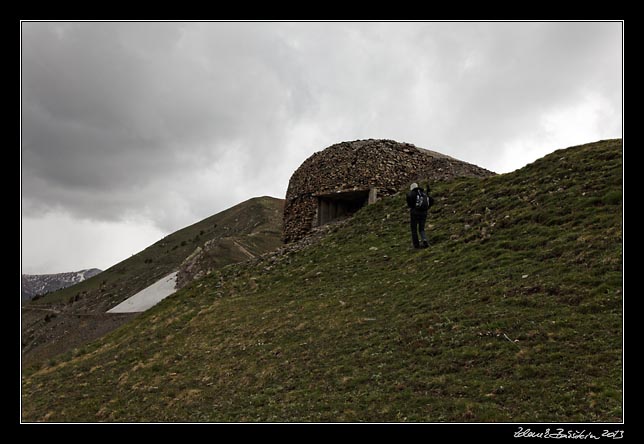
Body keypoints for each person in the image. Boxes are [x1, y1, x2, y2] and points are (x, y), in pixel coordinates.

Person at [406, 182, 431, 249]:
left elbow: (409, 204)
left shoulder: (411, 194)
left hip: (415, 213)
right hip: (424, 213)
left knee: (414, 229)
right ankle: (424, 240)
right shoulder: (423, 193)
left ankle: (416, 245)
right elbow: (431, 201)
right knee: (421, 228)